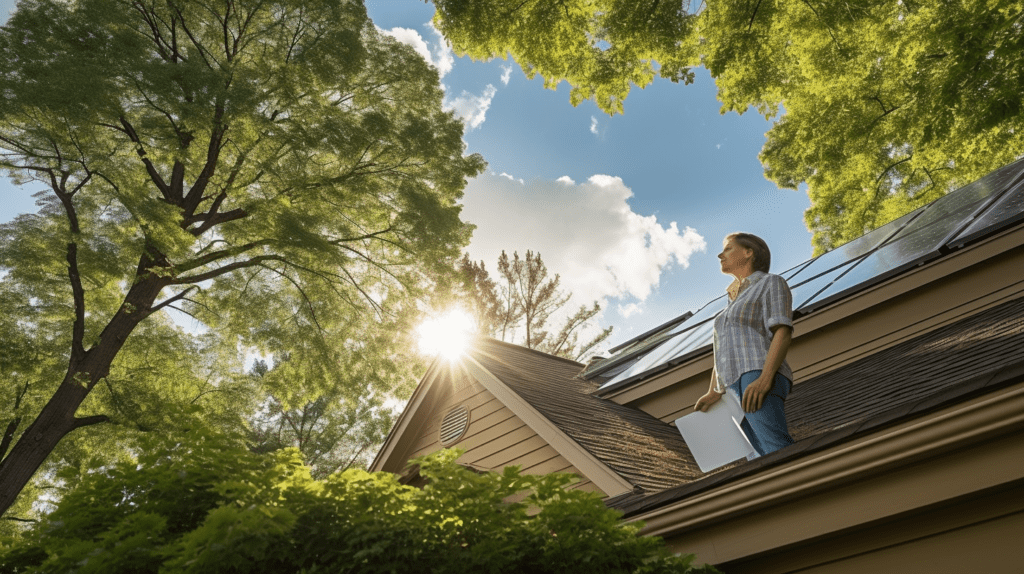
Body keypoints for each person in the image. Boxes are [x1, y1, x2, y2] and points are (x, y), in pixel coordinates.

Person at [693, 232, 795, 458]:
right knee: (757, 456)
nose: (721, 254)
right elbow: (723, 350)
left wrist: (764, 379)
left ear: (749, 252)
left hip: (756, 373)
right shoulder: (730, 302)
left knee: (774, 446)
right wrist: (713, 391)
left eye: (728, 248)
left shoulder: (770, 282)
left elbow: (782, 330)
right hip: (731, 386)